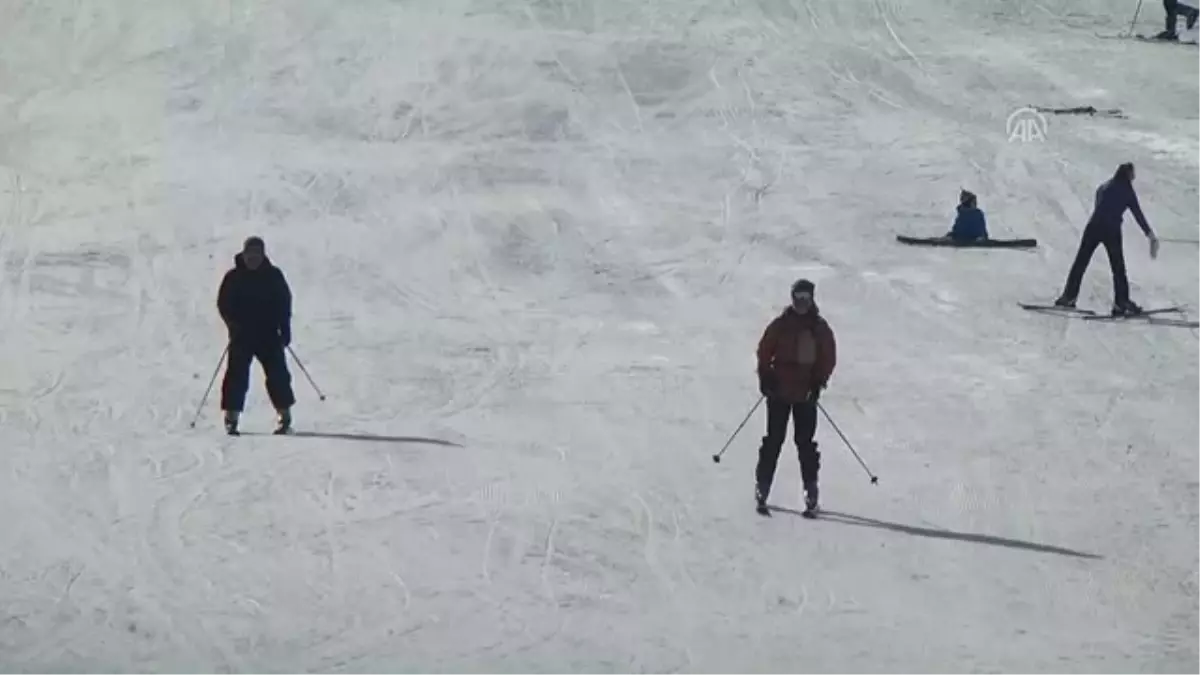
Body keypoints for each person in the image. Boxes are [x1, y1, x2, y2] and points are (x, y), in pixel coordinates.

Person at [754, 279, 837, 514]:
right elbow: (764, 350)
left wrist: (818, 382)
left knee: (805, 443)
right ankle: (763, 485)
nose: (800, 303)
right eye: (797, 297)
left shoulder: (818, 328)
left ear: (812, 299)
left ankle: (811, 490)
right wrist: (766, 377)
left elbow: (828, 357)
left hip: (805, 394)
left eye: (805, 298)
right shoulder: (781, 325)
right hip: (779, 391)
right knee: (773, 440)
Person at [1055, 163, 1159, 316]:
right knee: (1118, 268)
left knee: (1081, 262)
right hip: (1111, 230)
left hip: (1093, 227)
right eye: (1132, 174)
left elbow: (1100, 205)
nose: (1134, 177)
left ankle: (1068, 297)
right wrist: (1149, 234)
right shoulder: (1127, 191)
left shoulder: (1104, 186)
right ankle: (1121, 302)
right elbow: (1137, 214)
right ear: (1127, 175)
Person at [217, 236, 296, 435]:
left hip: (268, 333)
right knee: (237, 375)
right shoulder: (233, 277)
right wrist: (233, 325)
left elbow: (284, 302)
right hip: (242, 335)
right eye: (250, 254)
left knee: (278, 374)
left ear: (263, 255)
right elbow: (224, 304)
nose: (253, 258)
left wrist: (284, 328)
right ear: (244, 254)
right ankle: (231, 417)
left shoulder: (273, 275)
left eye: (257, 254)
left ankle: (284, 415)